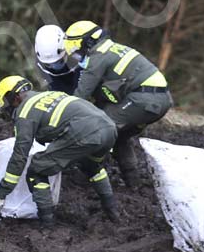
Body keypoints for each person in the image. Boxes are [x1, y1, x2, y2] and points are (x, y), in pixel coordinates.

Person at [0, 76, 119, 227]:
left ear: (13, 97)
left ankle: (47, 223)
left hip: (85, 134)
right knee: (92, 166)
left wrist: (0, 196)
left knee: (37, 169)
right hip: (109, 128)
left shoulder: (25, 112)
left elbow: (19, 157)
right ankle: (113, 213)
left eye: (7, 106)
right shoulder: (50, 94)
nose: (9, 111)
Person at [64, 21, 172, 187]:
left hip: (145, 100)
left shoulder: (97, 56)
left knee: (101, 127)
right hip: (159, 99)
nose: (75, 52)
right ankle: (133, 183)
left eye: (74, 46)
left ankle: (85, 175)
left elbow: (80, 97)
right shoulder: (112, 48)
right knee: (120, 137)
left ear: (86, 41)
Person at [34, 25, 80, 94]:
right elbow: (56, 88)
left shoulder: (77, 50)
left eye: (60, 61)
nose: (54, 67)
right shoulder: (42, 60)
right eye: (48, 64)